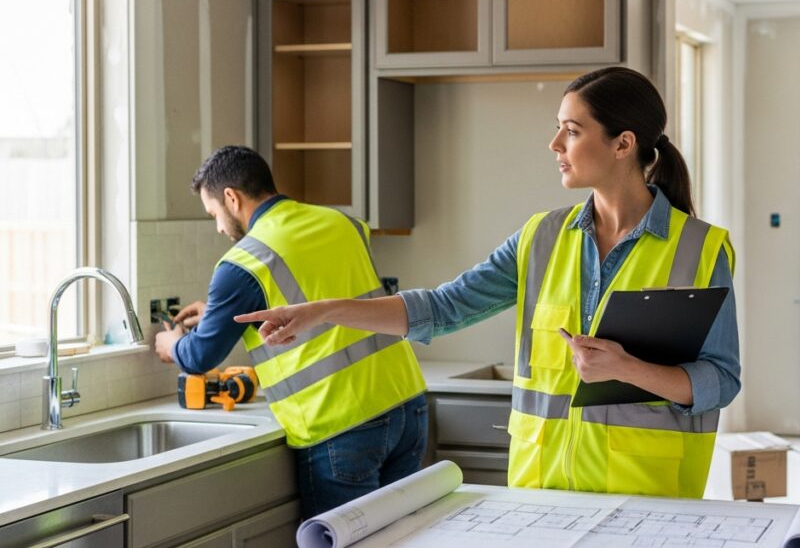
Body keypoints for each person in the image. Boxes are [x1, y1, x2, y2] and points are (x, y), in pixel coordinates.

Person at [236, 66, 740, 499]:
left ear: (623, 144)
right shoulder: (541, 237)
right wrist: (322, 311)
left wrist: (629, 369)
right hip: (541, 500)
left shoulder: (700, 249)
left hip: (646, 502)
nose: (555, 145)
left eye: (572, 130)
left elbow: (720, 379)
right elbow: (443, 307)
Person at [154, 146, 428, 519]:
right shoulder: (343, 223)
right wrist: (219, 312)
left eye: (214, 213)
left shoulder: (242, 262)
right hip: (406, 408)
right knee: (402, 539)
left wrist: (172, 344)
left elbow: (201, 356)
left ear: (231, 198)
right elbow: (318, 294)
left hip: (340, 425)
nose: (218, 227)